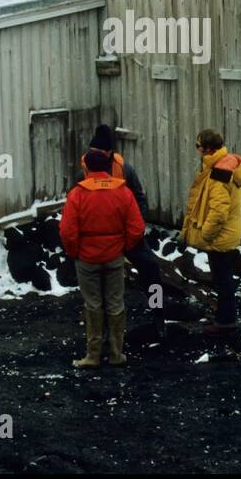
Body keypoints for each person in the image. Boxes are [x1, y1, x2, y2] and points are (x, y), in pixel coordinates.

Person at [60, 147, 146, 367]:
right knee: (116, 303)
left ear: (87, 167)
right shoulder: (123, 191)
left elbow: (67, 231)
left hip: (86, 258)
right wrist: (122, 247)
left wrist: (75, 252)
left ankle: (93, 355)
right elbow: (137, 227)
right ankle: (117, 354)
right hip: (114, 256)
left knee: (93, 305)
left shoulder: (77, 194)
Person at [74, 125, 163, 330]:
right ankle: (96, 321)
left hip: (127, 233)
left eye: (101, 152)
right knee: (95, 278)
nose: (96, 155)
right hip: (99, 236)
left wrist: (137, 229)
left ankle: (157, 312)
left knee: (151, 269)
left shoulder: (125, 169)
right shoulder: (83, 173)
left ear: (109, 152)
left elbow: (139, 198)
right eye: (93, 152)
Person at [182, 129, 241, 334]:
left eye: (198, 146)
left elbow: (218, 211)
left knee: (222, 279)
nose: (197, 150)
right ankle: (225, 317)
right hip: (230, 231)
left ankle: (225, 321)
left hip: (220, 236)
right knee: (224, 277)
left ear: (207, 149)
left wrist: (206, 235)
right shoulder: (228, 164)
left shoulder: (219, 173)